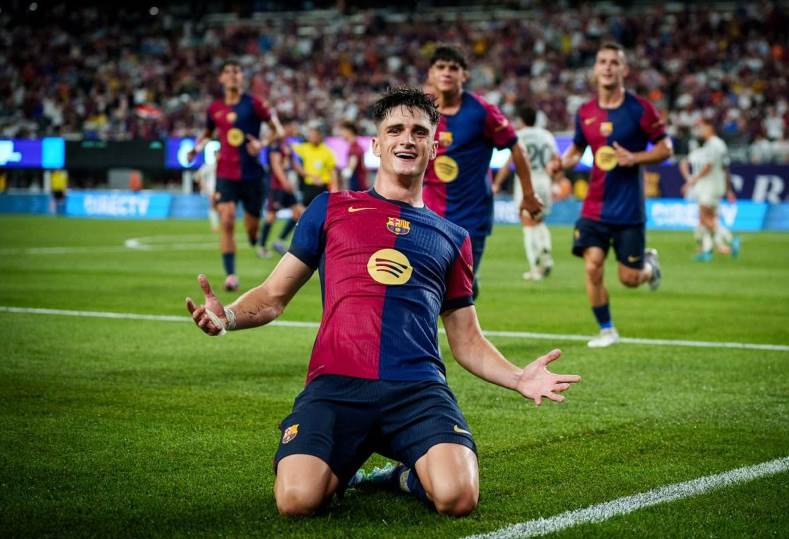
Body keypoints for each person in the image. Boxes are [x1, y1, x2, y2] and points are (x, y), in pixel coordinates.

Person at [185, 88, 581, 517]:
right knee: (297, 500)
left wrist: (518, 377)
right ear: (377, 144)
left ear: (433, 147)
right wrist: (227, 316)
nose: (407, 139)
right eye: (395, 130)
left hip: (417, 389)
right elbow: (272, 297)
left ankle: (402, 476)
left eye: (419, 132)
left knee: (458, 497)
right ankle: (342, 462)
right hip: (336, 385)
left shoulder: (453, 237)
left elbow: (466, 340)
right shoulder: (329, 208)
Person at [548, 42, 673, 348]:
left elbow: (666, 148)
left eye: (614, 62)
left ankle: (649, 267)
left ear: (624, 70)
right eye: (602, 61)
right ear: (595, 69)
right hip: (594, 207)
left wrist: (636, 157)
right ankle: (607, 330)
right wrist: (562, 163)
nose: (607, 67)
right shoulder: (585, 112)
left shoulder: (640, 109)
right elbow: (577, 149)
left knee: (629, 279)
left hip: (628, 209)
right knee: (592, 265)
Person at [421, 45, 543, 299]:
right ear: (430, 73)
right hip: (431, 211)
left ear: (464, 75)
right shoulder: (421, 111)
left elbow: (516, 147)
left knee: (456, 289)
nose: (446, 73)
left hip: (472, 215)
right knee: (430, 283)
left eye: (453, 68)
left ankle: (468, 290)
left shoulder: (482, 111)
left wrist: (529, 194)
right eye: (440, 67)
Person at [188, 59, 283, 291]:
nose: (232, 75)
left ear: (242, 77)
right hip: (226, 174)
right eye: (227, 71)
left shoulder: (255, 104)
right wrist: (196, 148)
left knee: (251, 227)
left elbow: (277, 130)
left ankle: (253, 236)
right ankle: (231, 275)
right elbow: (207, 132)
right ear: (221, 78)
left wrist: (261, 144)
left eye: (236, 71)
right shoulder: (214, 108)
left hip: (252, 176)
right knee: (227, 219)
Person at [493, 105, 561, 280]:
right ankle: (546, 255)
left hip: (527, 182)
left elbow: (510, 163)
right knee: (539, 219)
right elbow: (557, 161)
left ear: (521, 120)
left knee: (527, 223)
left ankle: (535, 268)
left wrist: (497, 183)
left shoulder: (519, 135)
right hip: (544, 181)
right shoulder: (547, 136)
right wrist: (557, 182)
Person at [680, 118, 739, 261]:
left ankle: (730, 239)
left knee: (705, 217)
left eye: (703, 128)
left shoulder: (713, 145)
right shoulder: (716, 145)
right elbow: (725, 168)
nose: (700, 131)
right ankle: (707, 250)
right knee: (707, 218)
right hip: (715, 185)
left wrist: (692, 180)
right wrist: (728, 189)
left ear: (710, 128)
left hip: (709, 186)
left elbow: (709, 166)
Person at [258, 118, 305, 258]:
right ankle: (262, 247)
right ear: (283, 128)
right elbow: (276, 165)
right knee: (271, 216)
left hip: (285, 184)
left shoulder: (287, 145)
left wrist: (309, 175)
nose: (293, 129)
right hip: (276, 186)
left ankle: (279, 241)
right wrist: (285, 182)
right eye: (290, 127)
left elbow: (294, 165)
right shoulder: (275, 144)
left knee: (298, 213)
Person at [292, 121, 339, 209]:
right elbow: (291, 156)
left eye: (314, 134)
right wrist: (307, 174)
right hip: (308, 186)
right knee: (304, 211)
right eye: (310, 134)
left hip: (322, 187)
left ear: (320, 135)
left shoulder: (327, 151)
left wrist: (334, 187)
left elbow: (332, 171)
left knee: (322, 211)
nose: (312, 137)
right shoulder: (303, 147)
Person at [338, 121, 369, 191]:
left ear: (349, 131)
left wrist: (342, 176)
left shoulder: (354, 147)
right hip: (360, 182)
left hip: (357, 183)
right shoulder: (356, 145)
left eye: (342, 131)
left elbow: (351, 167)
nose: (341, 134)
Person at [195, 150, 220, 232]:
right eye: (217, 155)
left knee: (221, 207)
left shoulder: (225, 167)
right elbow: (198, 176)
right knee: (214, 206)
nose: (218, 157)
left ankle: (218, 225)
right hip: (212, 190)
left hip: (223, 189)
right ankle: (215, 225)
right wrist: (204, 187)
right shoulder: (209, 166)